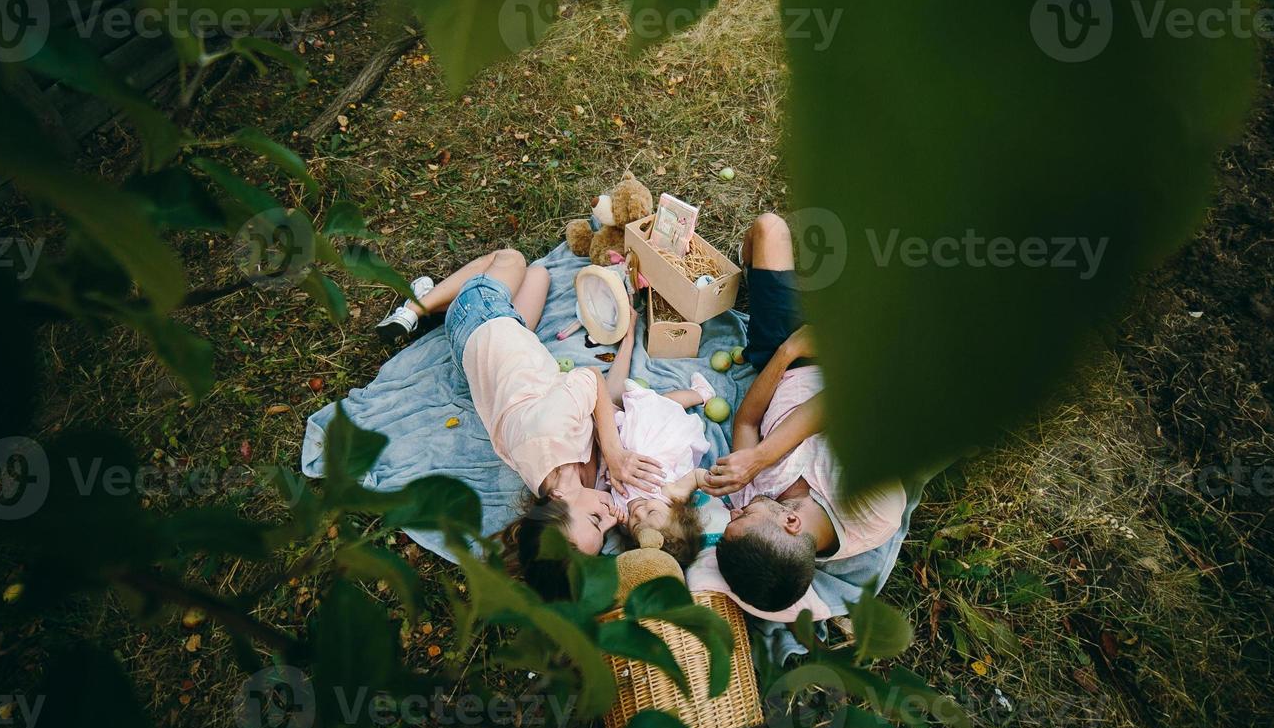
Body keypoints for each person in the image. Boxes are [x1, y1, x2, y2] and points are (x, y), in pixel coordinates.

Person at [373, 248, 664, 598]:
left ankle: (415, 308)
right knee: (539, 274)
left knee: (511, 258)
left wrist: (614, 454)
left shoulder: (550, 436)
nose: (612, 518)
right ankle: (433, 302)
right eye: (605, 531)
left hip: (480, 320)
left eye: (595, 520)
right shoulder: (563, 484)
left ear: (556, 500)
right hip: (502, 345)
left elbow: (592, 378)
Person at [704, 214, 907, 613]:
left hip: (783, 360)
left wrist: (786, 352)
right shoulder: (871, 508)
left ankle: (764, 276)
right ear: (790, 524)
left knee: (768, 229)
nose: (739, 507)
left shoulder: (755, 500)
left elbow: (745, 421)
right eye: (744, 516)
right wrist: (761, 457)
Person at [595, 309, 726, 567]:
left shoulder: (623, 514)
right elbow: (698, 477)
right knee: (669, 403)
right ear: (677, 513)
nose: (639, 511)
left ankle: (628, 341)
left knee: (622, 403)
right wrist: (713, 480)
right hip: (664, 432)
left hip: (629, 438)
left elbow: (614, 506)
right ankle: (700, 394)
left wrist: (619, 518)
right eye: (652, 512)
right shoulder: (673, 494)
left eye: (635, 524)